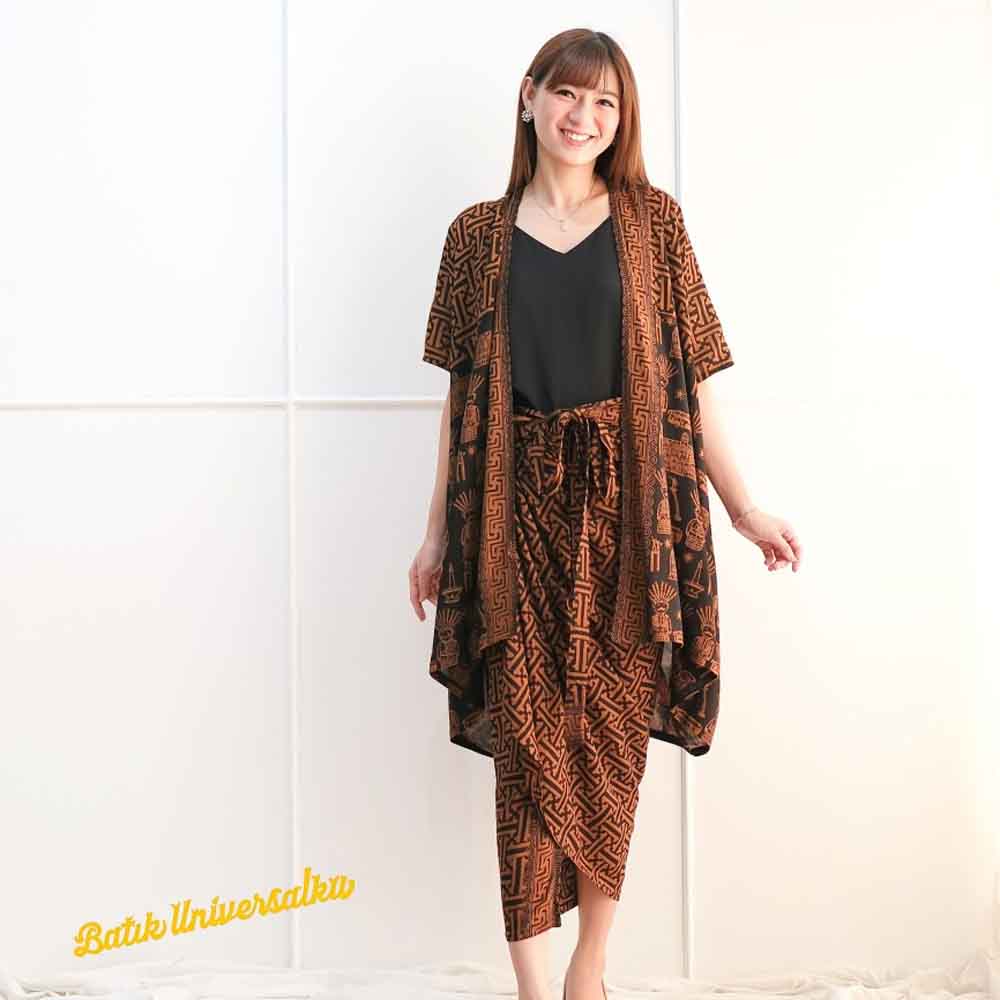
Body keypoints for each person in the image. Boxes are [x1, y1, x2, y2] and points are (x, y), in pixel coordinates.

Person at [408, 28, 802, 1000]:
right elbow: (461, 402)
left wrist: (743, 505)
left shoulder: (653, 223)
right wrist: (433, 535)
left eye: (606, 102)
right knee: (525, 747)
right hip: (512, 519)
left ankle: (589, 969)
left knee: (609, 739)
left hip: (633, 521)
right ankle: (532, 987)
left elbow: (691, 384)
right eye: (567, 94)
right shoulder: (474, 236)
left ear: (621, 121)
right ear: (529, 97)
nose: (583, 116)